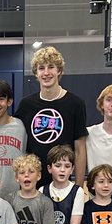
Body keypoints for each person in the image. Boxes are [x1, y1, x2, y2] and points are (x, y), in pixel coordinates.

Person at [15, 46, 88, 185]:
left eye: (51, 67)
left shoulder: (75, 104)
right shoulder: (26, 105)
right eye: (41, 68)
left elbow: (80, 149)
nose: (46, 73)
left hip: (63, 183)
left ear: (59, 70)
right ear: (36, 73)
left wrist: (78, 189)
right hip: (33, 184)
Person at [41, 144, 85, 224]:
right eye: (58, 166)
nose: (62, 170)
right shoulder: (42, 191)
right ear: (49, 168)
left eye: (67, 166)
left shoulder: (77, 191)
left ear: (72, 169)